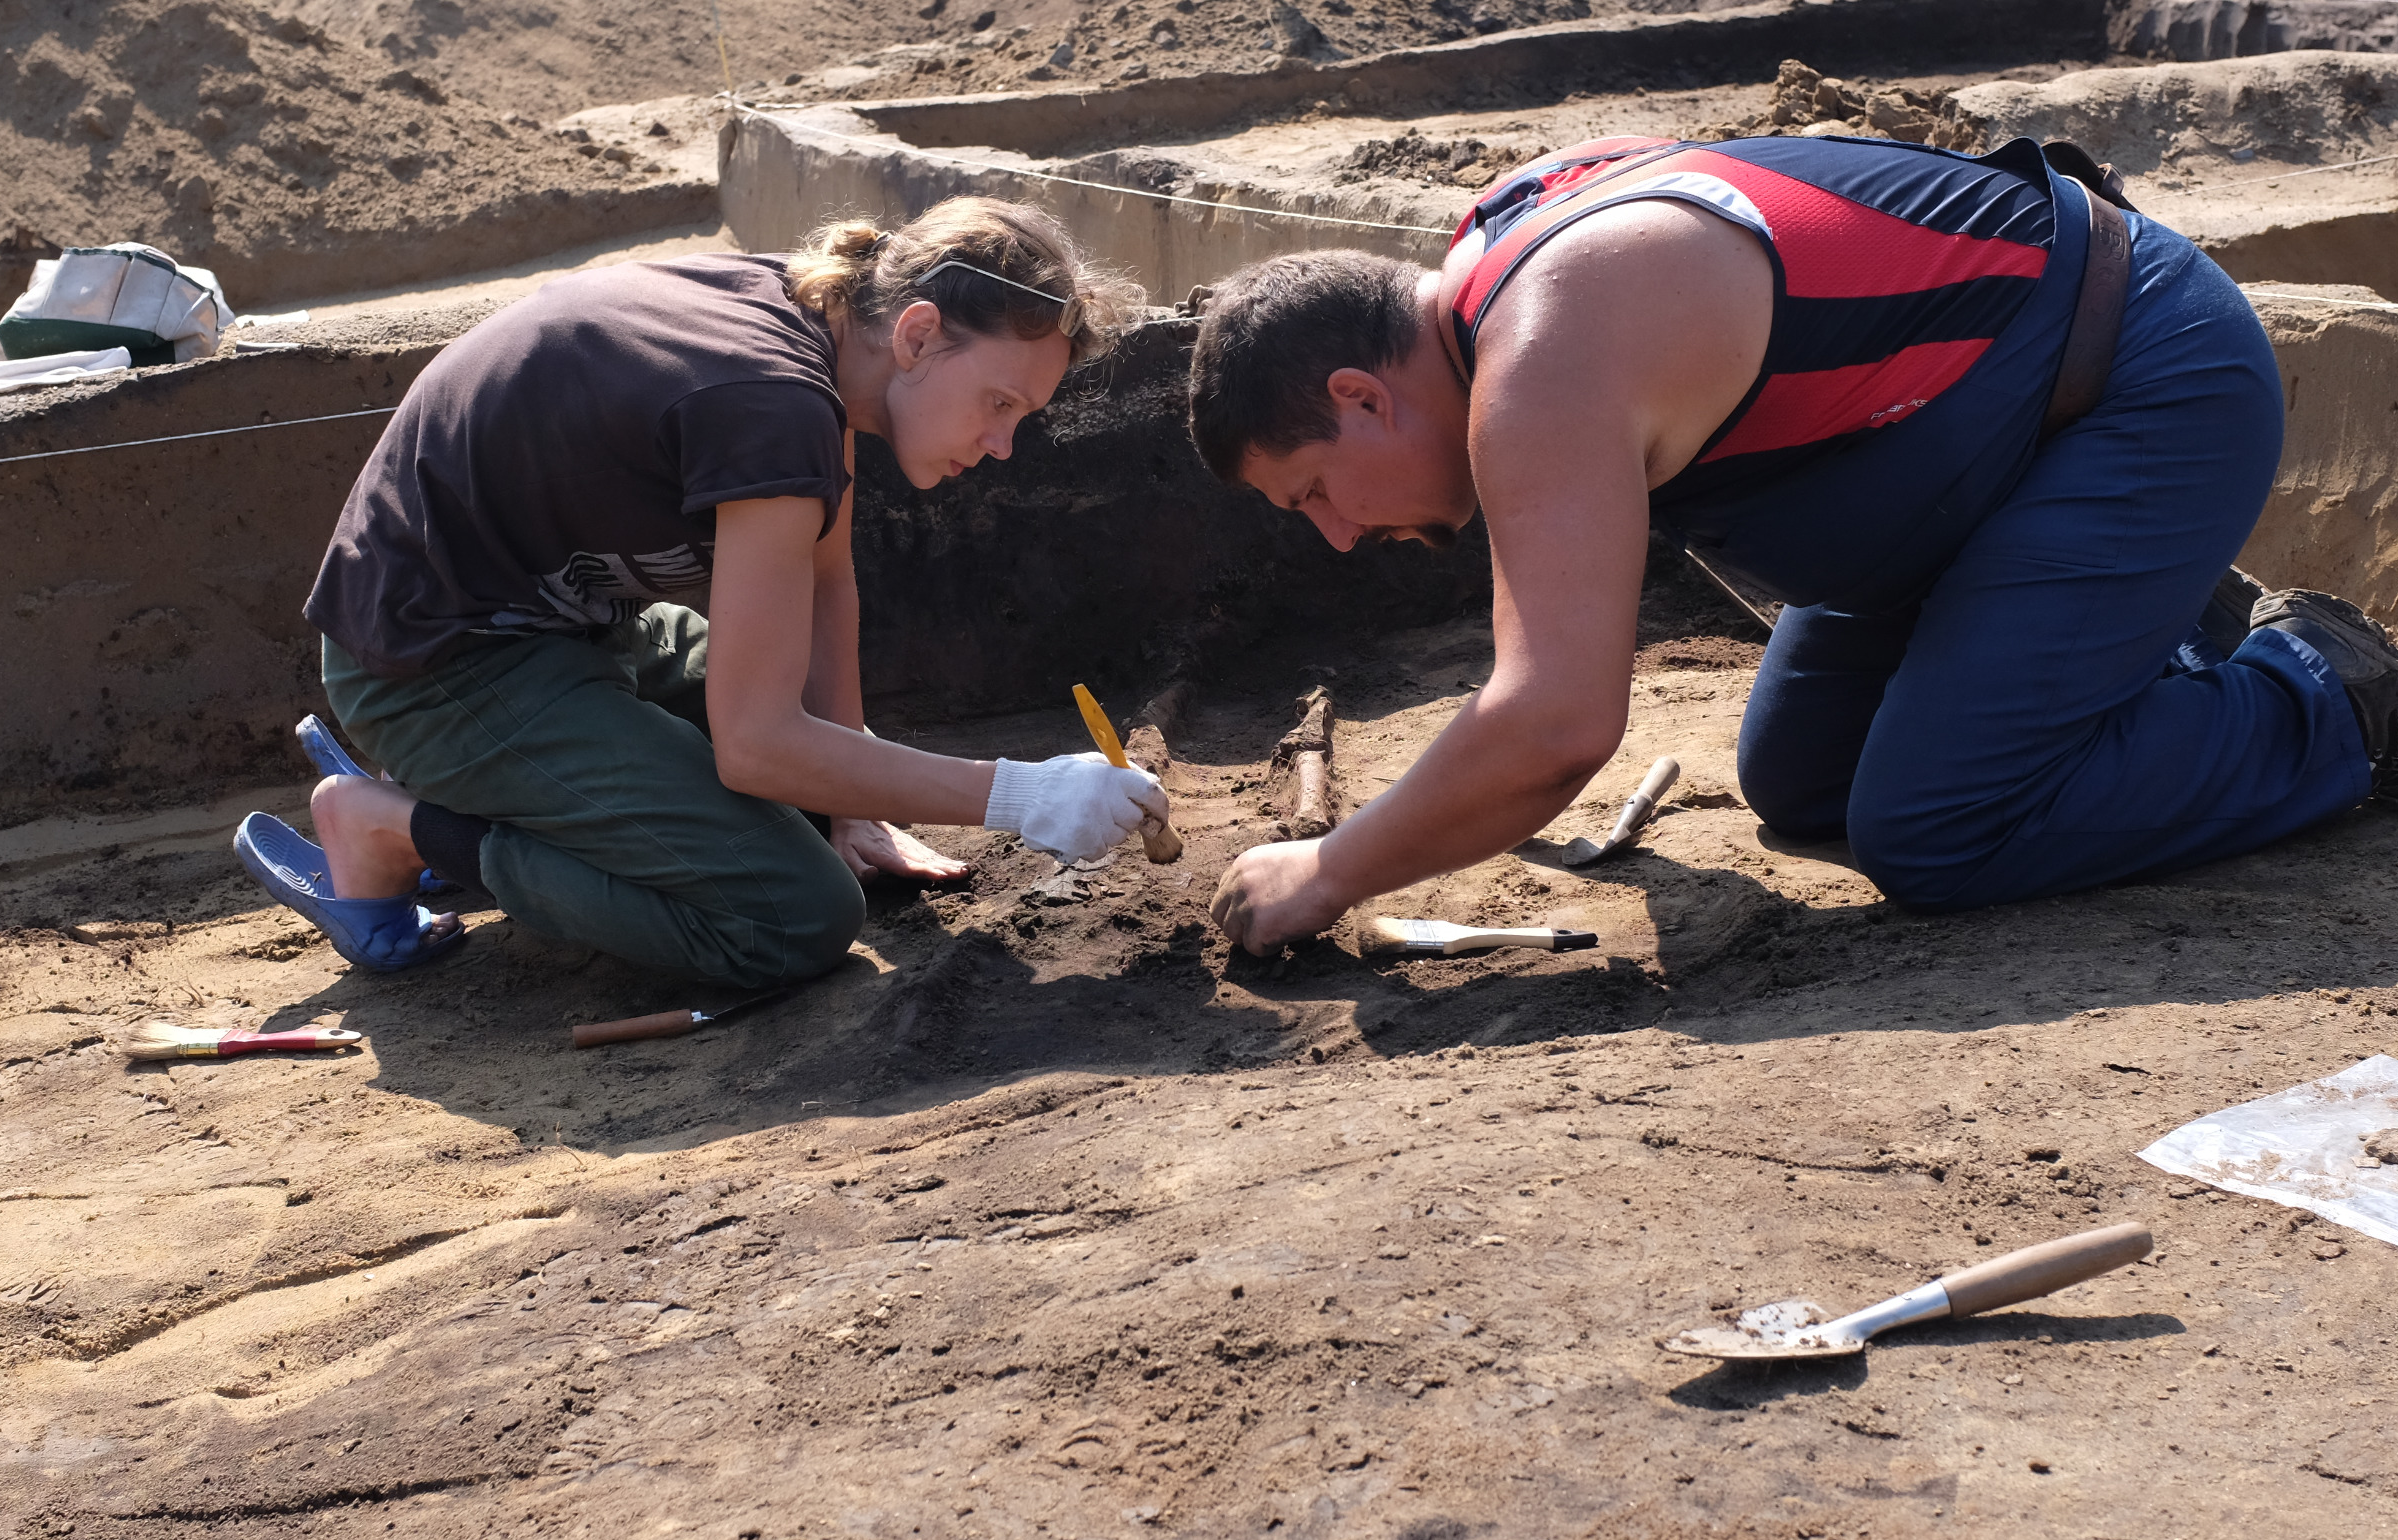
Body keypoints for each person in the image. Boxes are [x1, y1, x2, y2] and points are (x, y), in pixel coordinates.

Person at [1187, 131, 2398, 953]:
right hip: (1973, 451)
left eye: (1313, 494)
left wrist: (1332, 871)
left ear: (1361, 396)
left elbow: (1554, 725)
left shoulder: (1538, 358)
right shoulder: (1496, 277)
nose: (1341, 538)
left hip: (2136, 385)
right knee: (1805, 784)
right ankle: (2147, 640)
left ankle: (2330, 695)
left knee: (1942, 826)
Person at [240, 198, 1171, 984]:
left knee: (820, 792)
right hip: (431, 663)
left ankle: (513, 791)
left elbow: (822, 576)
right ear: (920, 333)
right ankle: (398, 827)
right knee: (792, 912)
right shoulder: (772, 404)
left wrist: (857, 805)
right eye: (1001, 403)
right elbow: (757, 744)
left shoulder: (823, 324)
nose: (1003, 444)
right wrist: (1024, 795)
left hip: (563, 627)